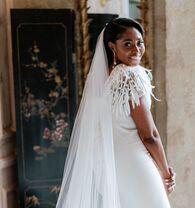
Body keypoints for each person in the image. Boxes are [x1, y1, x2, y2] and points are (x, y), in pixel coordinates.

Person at [56, 17, 176, 208]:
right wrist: (165, 172)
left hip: (109, 167)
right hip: (135, 164)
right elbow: (149, 135)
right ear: (112, 46)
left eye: (140, 42)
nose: (136, 49)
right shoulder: (130, 75)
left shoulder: (100, 78)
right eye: (127, 44)